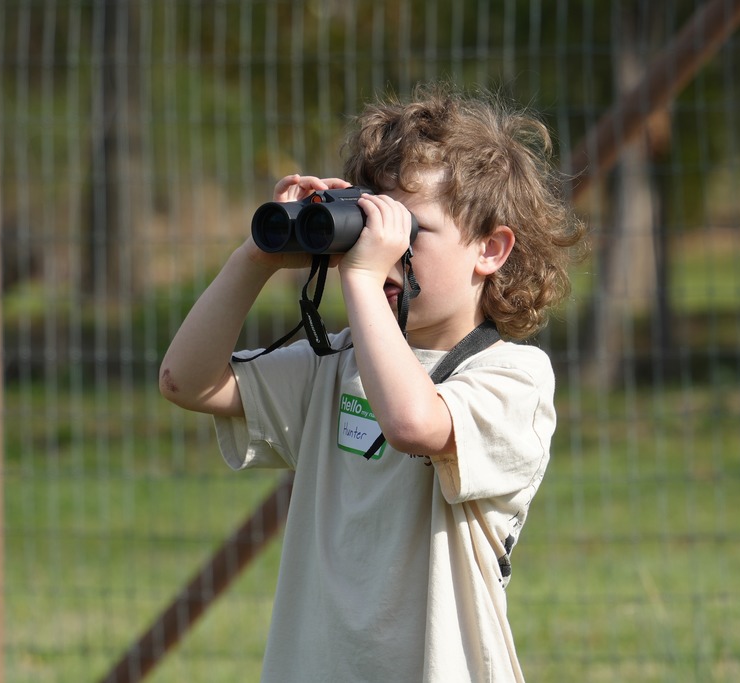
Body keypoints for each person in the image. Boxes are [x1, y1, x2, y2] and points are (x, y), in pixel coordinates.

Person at [159, 82, 586, 682]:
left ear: (490, 249)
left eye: (411, 232)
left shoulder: (512, 377)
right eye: (369, 226)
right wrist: (254, 257)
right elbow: (187, 382)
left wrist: (361, 278)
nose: (382, 251)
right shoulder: (337, 363)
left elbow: (413, 422)